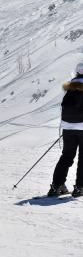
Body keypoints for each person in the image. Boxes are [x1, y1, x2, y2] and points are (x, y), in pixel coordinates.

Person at [48, 61, 83, 197]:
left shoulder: (70, 88)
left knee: (67, 156)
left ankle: (57, 186)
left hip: (68, 127)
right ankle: (80, 187)